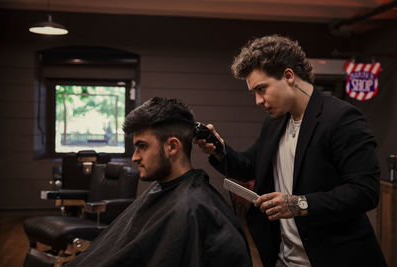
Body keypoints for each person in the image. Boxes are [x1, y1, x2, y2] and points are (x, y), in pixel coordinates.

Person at [195, 35, 386, 267]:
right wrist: (220, 150)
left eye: (261, 89)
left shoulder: (342, 119)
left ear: (288, 76)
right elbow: (251, 166)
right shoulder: (275, 122)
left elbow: (365, 192)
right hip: (285, 259)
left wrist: (298, 204)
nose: (258, 101)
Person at [66, 97, 253, 267]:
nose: (134, 157)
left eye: (142, 147)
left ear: (172, 146)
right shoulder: (165, 192)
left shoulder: (197, 208)